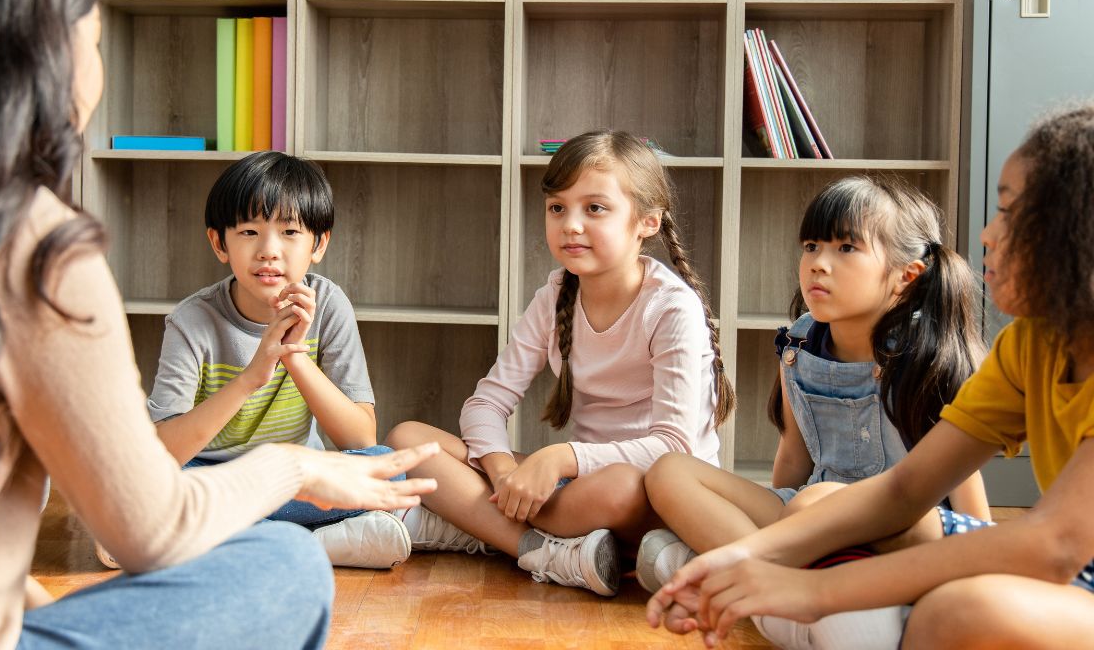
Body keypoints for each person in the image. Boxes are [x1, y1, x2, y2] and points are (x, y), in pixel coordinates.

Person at [0, 0, 436, 648]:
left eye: (292, 235)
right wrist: (293, 463)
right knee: (283, 565)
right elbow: (151, 528)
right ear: (44, 56)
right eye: (97, 41)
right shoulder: (31, 245)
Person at [647, 105, 1094, 649]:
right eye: (811, 246)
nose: (987, 232)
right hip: (1058, 567)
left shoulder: (926, 352)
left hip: (1070, 566)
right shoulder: (1031, 344)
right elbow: (906, 489)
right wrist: (739, 561)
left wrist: (813, 592)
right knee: (838, 510)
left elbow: (1053, 544)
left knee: (961, 610)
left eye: (1010, 213)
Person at [636, 176, 988, 648]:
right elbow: (794, 461)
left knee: (816, 501)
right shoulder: (799, 344)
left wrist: (973, 558)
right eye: (811, 245)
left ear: (907, 277)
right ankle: (755, 572)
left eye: (846, 248)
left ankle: (725, 573)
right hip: (805, 513)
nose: (818, 264)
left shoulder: (923, 356)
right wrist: (779, 515)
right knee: (667, 472)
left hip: (896, 529)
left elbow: (964, 491)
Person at [387, 129, 734, 596]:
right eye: (557, 208)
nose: (571, 224)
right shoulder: (554, 296)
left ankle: (479, 529)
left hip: (645, 492)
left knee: (619, 486)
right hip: (573, 485)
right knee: (409, 440)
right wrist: (502, 472)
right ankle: (547, 551)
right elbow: (486, 403)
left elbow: (672, 448)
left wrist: (560, 457)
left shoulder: (670, 307)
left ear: (647, 222)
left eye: (594, 208)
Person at [133, 151, 409, 570]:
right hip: (212, 479)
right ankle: (317, 543)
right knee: (143, 486)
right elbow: (163, 452)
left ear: (319, 244)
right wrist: (251, 377)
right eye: (248, 232)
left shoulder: (329, 305)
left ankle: (216, 538)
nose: (268, 251)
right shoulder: (193, 320)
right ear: (218, 242)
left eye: (289, 232)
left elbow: (360, 439)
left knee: (386, 469)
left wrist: (295, 356)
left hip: (291, 482)